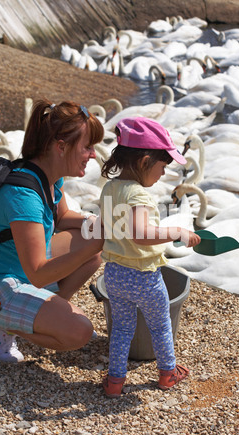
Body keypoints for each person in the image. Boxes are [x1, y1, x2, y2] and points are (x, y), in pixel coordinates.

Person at [0, 99, 104, 362]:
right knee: (79, 331)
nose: (93, 154)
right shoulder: (23, 196)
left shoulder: (49, 173)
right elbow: (38, 274)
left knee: (90, 251)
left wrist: (98, 224)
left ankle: (35, 316)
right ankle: (1, 323)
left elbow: (62, 217)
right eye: (87, 147)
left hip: (17, 265)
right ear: (61, 147)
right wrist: (99, 242)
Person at [99, 116, 201, 397]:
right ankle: (168, 373)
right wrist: (176, 232)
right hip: (143, 276)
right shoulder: (139, 196)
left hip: (114, 274)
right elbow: (141, 235)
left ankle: (115, 382)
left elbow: (107, 228)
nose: (162, 174)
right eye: (161, 167)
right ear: (145, 161)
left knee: (121, 328)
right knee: (161, 326)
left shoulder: (109, 189)